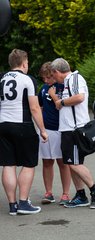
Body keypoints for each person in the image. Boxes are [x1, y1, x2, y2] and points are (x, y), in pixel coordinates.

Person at [48, 58, 95, 209]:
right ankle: (81, 195)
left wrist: (60, 102)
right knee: (72, 162)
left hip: (74, 129)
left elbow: (80, 97)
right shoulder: (68, 81)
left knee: (73, 163)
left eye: (53, 75)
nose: (54, 79)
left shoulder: (74, 78)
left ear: (56, 71)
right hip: (68, 129)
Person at [0, 49, 48, 215]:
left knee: (8, 164)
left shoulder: (1, 78)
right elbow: (34, 108)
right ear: (24, 63)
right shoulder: (28, 80)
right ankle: (23, 203)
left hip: (3, 125)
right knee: (28, 163)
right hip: (22, 125)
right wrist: (42, 130)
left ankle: (12, 205)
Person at [38, 62, 72, 205]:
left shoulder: (63, 87)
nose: (46, 81)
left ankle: (65, 194)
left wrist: (53, 96)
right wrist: (41, 127)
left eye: (48, 77)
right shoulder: (43, 89)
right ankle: (49, 192)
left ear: (54, 74)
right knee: (47, 162)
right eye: (44, 78)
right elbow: (39, 106)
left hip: (61, 129)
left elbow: (65, 105)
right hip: (46, 130)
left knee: (63, 162)